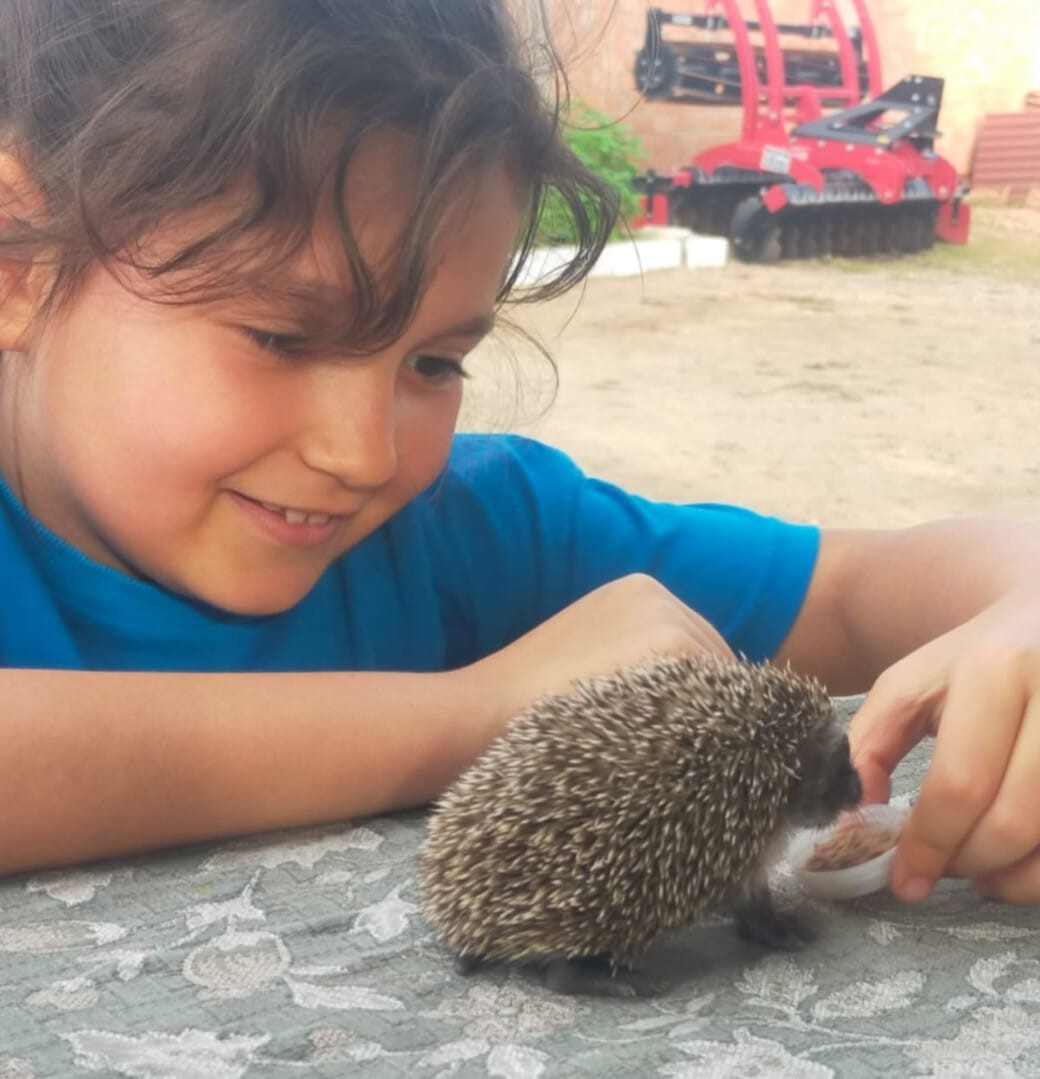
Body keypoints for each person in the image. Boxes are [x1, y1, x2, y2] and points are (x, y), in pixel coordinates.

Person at [0, 0, 1037, 908]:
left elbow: (855, 584)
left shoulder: (470, 526)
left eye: (435, 363)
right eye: (283, 337)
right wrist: (480, 709)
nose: (363, 452)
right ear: (19, 261)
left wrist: (1022, 608)